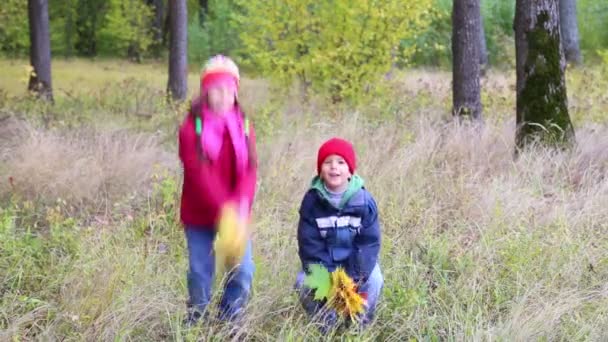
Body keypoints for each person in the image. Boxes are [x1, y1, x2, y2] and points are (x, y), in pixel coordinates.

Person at [177, 55, 257, 325]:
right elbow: (199, 174)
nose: (223, 96)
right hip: (200, 214)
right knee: (201, 273)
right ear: (205, 91)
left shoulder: (243, 125)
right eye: (216, 90)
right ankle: (197, 319)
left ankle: (229, 317)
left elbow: (250, 169)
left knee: (243, 271)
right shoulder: (191, 128)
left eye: (228, 90)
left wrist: (241, 204)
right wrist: (226, 209)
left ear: (236, 91)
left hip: (235, 213)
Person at [295, 137, 383, 330]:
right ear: (320, 170)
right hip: (323, 264)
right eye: (328, 162)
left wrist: (352, 278)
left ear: (350, 171)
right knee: (302, 282)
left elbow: (369, 243)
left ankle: (358, 325)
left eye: (341, 162)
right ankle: (326, 325)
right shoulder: (312, 202)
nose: (334, 167)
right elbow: (309, 246)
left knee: (375, 280)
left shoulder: (364, 202)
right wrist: (329, 280)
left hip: (356, 265)